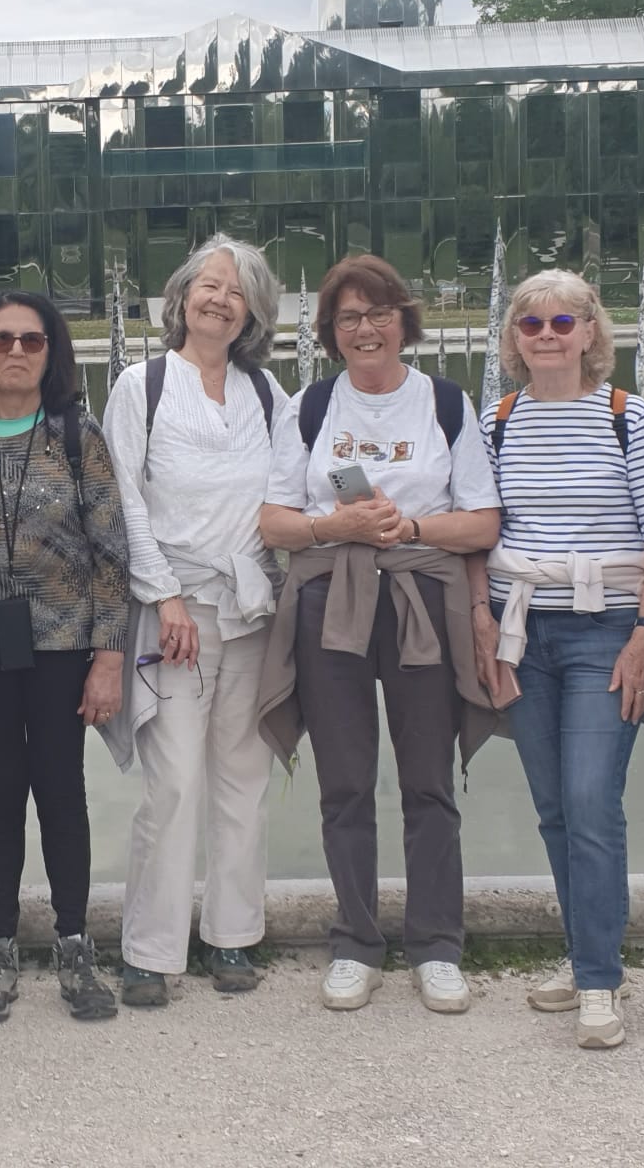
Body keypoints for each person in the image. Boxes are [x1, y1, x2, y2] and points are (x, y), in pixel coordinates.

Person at [256, 254, 501, 1015]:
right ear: (332, 332)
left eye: (380, 313)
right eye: (349, 318)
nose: (366, 330)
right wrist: (337, 527)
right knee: (344, 780)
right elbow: (273, 522)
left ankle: (436, 944)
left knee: (428, 779)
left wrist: (410, 527)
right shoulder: (309, 406)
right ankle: (355, 942)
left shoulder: (446, 403)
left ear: (404, 321)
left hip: (421, 596)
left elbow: (483, 523)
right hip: (330, 597)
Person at [464, 270, 644, 1050]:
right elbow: (477, 534)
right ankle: (590, 950)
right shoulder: (496, 420)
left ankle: (597, 980)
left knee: (591, 800)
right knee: (555, 806)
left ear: (591, 332)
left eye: (563, 322)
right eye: (532, 324)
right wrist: (481, 624)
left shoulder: (629, 417)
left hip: (605, 631)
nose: (548, 336)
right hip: (522, 633)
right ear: (513, 338)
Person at [0, 291, 129, 1024]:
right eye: (1, 339)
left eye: (32, 341)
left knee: (61, 791)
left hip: (62, 646)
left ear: (53, 353)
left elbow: (112, 555)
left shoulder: (77, 436)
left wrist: (109, 656)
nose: (16, 352)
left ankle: (75, 942)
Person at [102, 235, 288, 1006]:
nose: (220, 300)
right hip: (173, 615)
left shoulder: (267, 392)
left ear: (253, 314)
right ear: (180, 297)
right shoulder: (141, 386)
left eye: (237, 292)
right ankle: (151, 948)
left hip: (251, 609)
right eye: (209, 286)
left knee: (244, 778)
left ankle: (233, 935)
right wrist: (164, 595)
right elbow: (124, 499)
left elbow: (288, 493)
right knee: (174, 782)